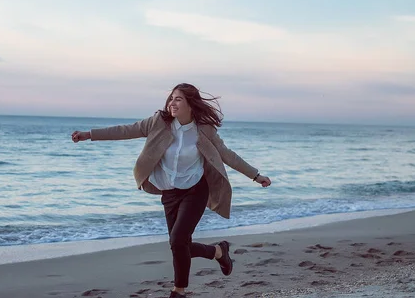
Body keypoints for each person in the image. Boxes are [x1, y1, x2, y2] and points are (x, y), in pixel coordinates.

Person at [71, 83, 271, 298]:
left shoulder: (204, 130)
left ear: (191, 105)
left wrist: (255, 175)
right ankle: (218, 252)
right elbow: (126, 130)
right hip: (170, 192)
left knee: (177, 241)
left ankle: (179, 291)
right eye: (171, 98)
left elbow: (226, 154)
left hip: (195, 189)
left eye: (178, 99)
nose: (172, 103)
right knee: (179, 245)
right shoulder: (159, 123)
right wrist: (88, 135)